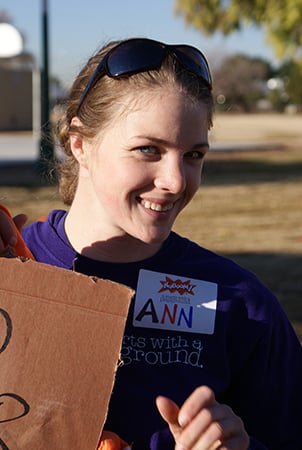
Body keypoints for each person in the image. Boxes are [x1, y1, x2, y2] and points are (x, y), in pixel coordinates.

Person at [0, 37, 301, 450]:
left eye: (193, 155)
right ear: (79, 143)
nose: (176, 181)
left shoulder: (242, 307)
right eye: (148, 149)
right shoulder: (12, 272)